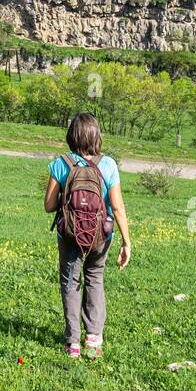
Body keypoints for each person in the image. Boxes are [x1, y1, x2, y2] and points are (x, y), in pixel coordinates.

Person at [43, 112, 131, 359]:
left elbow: (49, 206)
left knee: (71, 283)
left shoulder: (61, 164)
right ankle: (93, 339)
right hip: (100, 238)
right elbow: (118, 207)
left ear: (71, 135)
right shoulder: (109, 164)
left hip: (70, 236)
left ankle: (72, 343)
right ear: (96, 136)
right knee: (95, 278)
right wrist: (126, 242)